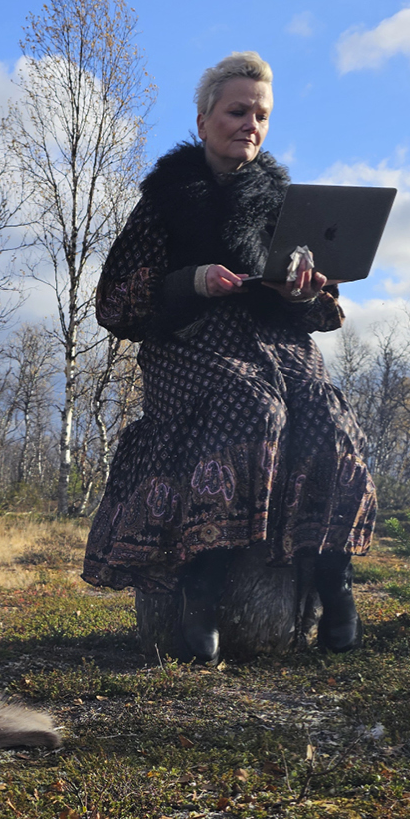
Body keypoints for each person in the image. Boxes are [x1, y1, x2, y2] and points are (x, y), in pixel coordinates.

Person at [83, 51, 372, 657]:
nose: (251, 124)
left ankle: (333, 583)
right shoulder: (164, 201)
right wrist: (191, 281)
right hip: (190, 350)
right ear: (203, 119)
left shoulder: (289, 206)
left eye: (262, 115)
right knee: (250, 401)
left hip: (279, 348)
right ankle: (201, 593)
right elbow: (114, 303)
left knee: (322, 405)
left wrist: (304, 290)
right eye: (238, 111)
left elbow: (328, 311)